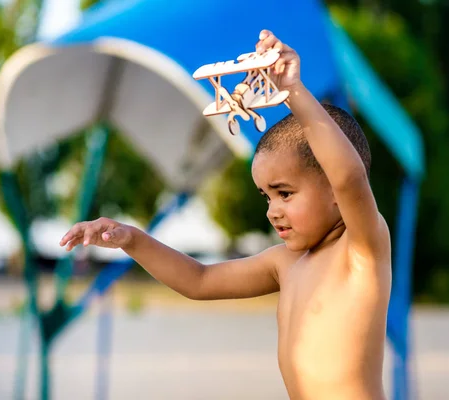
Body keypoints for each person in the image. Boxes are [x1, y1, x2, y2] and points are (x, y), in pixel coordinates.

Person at [59, 30, 391, 400]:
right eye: (266, 197)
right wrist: (132, 239)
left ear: (333, 189)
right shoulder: (285, 262)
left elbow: (349, 175)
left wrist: (293, 91)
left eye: (285, 193)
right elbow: (199, 280)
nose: (273, 211)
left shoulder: (362, 249)